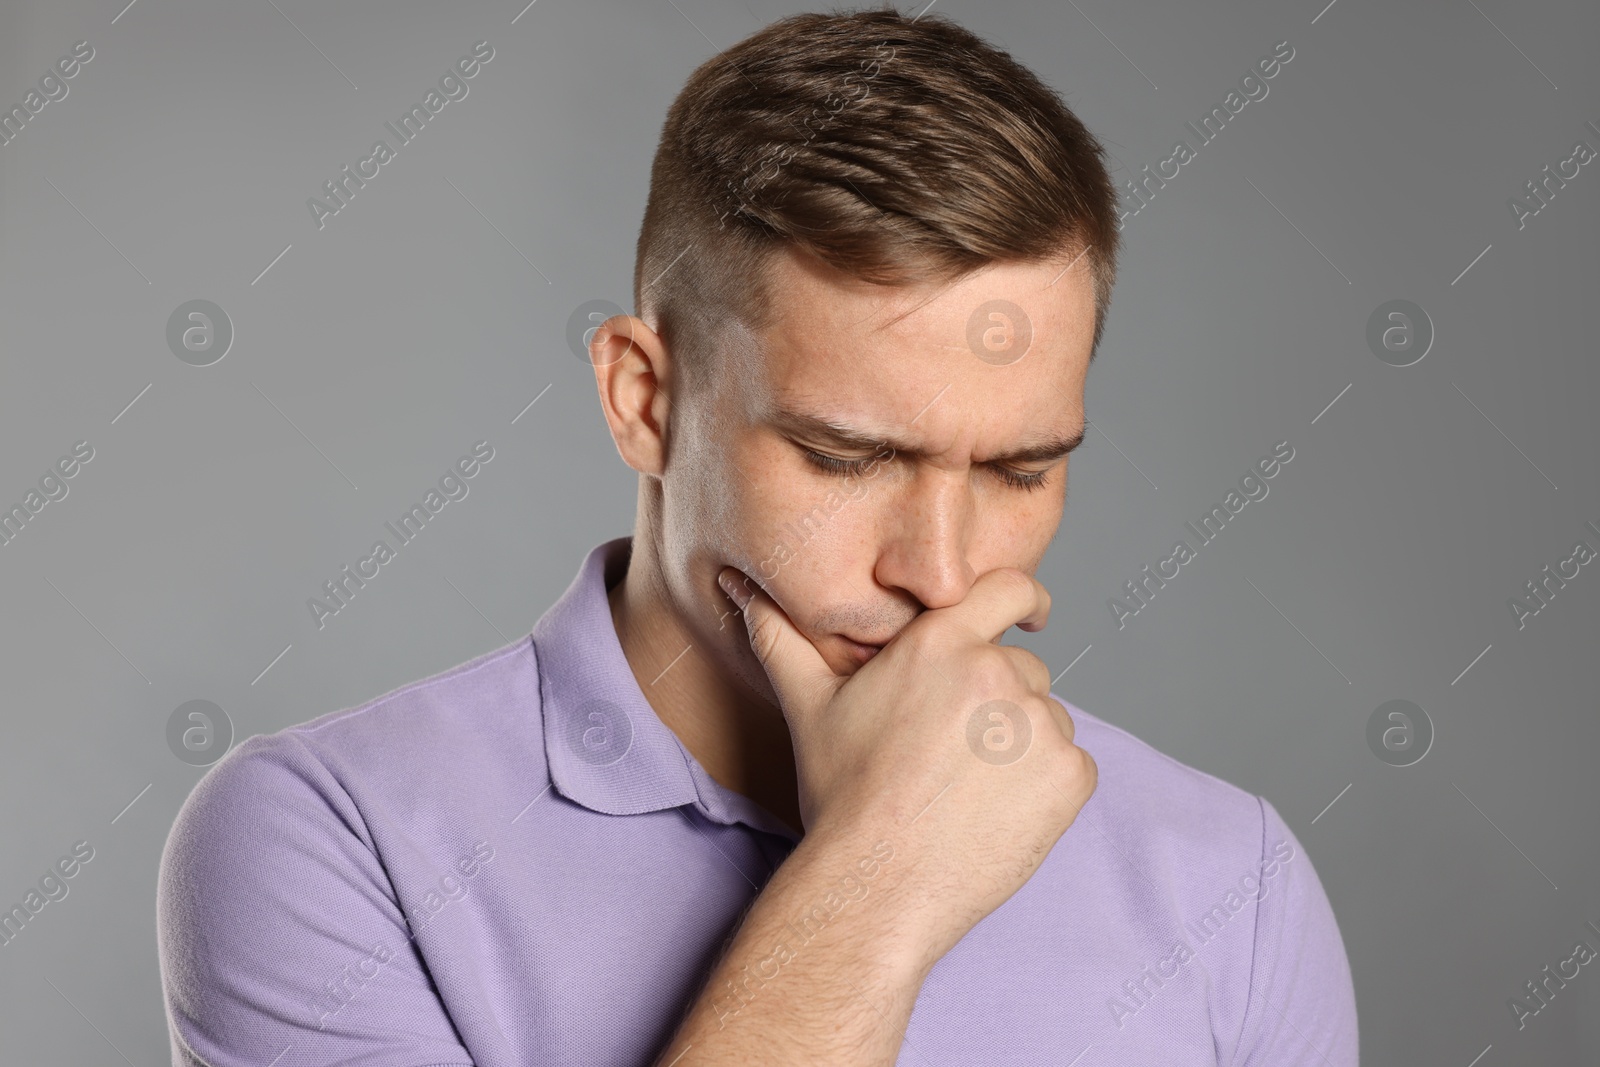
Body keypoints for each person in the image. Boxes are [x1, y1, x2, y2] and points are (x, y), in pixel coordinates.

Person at [157, 9, 1357, 1065]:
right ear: (643, 399)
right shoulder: (328, 841)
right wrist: (882, 876)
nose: (939, 573)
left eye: (1018, 468)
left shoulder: (1228, 884)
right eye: (845, 457)